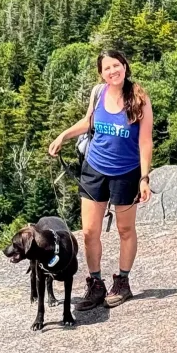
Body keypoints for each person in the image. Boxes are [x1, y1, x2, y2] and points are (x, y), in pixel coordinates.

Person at [48, 48, 154, 310]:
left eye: (116, 66)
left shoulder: (139, 98)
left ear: (125, 67)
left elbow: (145, 141)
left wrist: (144, 178)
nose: (113, 71)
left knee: (125, 230)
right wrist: (63, 136)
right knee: (89, 232)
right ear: (102, 73)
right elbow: (89, 122)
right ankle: (96, 284)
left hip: (126, 173)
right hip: (95, 169)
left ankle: (123, 283)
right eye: (107, 68)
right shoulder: (98, 93)